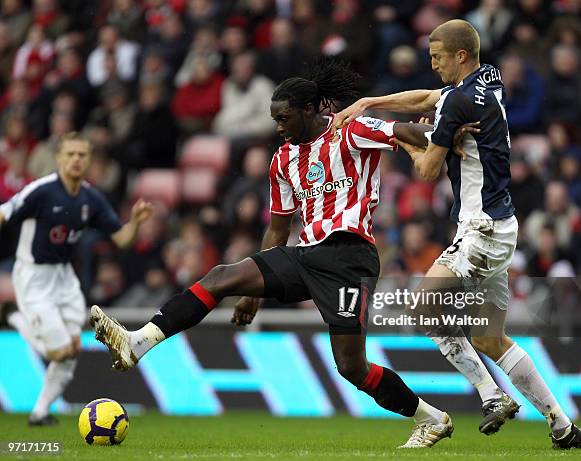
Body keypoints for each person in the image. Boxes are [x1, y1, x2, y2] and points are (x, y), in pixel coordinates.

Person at [90, 59, 477, 449]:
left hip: (350, 259)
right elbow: (278, 227)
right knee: (221, 276)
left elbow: (404, 130)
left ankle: (431, 419)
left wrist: (447, 134)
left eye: (284, 117)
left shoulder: (350, 129)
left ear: (308, 110)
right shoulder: (283, 159)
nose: (278, 126)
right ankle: (137, 342)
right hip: (305, 255)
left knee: (351, 367)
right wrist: (252, 294)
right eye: (275, 118)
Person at [334, 19, 581, 450]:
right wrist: (372, 102)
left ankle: (491, 396)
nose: (432, 65)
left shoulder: (456, 101)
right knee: (490, 336)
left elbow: (429, 171)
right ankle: (562, 424)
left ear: (460, 56)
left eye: (437, 57)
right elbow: (432, 97)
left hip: (481, 227)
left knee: (423, 309)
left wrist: (415, 142)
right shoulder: (489, 80)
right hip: (502, 225)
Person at [0, 131, 153, 426]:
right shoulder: (41, 191)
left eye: (82, 154)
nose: (76, 160)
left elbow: (121, 239)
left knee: (72, 352)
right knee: (59, 350)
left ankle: (40, 412)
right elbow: (6, 212)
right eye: (70, 154)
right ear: (58, 158)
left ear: (89, 159)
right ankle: (17, 316)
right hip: (34, 276)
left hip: (65, 278)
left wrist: (133, 223)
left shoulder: (90, 198)